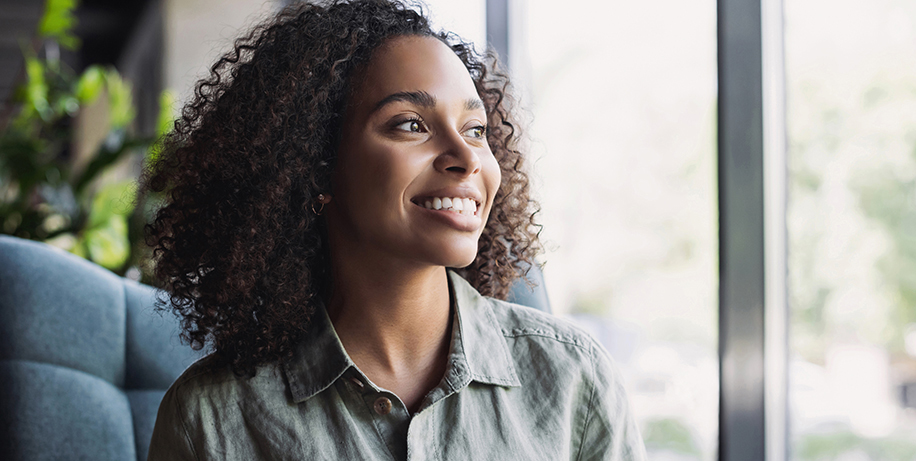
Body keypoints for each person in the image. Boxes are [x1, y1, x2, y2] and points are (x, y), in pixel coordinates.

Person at [143, 0, 646, 459]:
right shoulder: (209, 422)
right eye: (411, 124)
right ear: (314, 166)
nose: (467, 156)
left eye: (475, 130)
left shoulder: (576, 380)